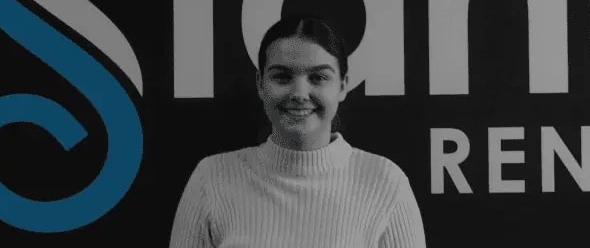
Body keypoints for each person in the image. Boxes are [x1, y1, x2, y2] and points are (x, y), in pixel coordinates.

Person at [169, 15, 426, 248]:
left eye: (318, 77)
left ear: (343, 86)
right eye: (282, 76)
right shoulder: (211, 179)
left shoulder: (385, 183)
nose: (299, 94)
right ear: (260, 84)